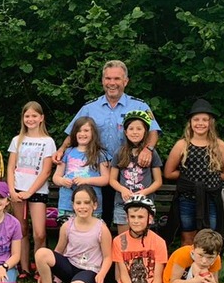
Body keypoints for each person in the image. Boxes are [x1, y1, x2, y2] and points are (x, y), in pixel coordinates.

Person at [56, 60, 160, 226]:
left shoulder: (139, 106)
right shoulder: (90, 107)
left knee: (125, 217)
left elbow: (153, 131)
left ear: (125, 81)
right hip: (97, 171)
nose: (112, 83)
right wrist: (61, 149)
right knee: (98, 217)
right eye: (108, 78)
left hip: (127, 172)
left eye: (117, 79)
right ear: (103, 81)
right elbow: (74, 132)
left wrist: (148, 149)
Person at [163, 99, 224, 246]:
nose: (200, 123)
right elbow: (168, 173)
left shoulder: (219, 145)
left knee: (212, 238)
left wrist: (209, 180)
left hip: (211, 199)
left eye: (204, 120)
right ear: (190, 122)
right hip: (187, 198)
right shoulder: (182, 145)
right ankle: (187, 268)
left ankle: (210, 268)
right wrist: (189, 180)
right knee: (187, 238)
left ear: (210, 123)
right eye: (196, 119)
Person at [34, 186, 112, 283]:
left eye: (87, 203)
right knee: (41, 253)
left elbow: (108, 257)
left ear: (94, 205)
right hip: (70, 266)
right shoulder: (67, 225)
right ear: (73, 205)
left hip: (89, 270)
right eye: (78, 203)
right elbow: (58, 251)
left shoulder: (101, 228)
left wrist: (101, 274)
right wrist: (48, 273)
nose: (82, 206)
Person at [7, 101, 56, 277]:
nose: (31, 119)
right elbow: (11, 166)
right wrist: (12, 190)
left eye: (34, 115)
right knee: (21, 230)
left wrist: (30, 191)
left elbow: (46, 171)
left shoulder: (48, 141)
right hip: (18, 189)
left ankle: (40, 265)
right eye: (27, 116)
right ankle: (24, 267)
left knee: (39, 232)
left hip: (37, 191)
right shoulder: (17, 140)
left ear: (41, 118)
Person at [103, 196, 168, 283]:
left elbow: (158, 277)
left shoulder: (159, 242)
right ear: (127, 218)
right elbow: (123, 274)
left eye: (141, 217)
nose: (136, 221)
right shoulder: (118, 241)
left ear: (150, 218)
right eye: (132, 217)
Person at [109, 110, 163, 233]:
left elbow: (158, 181)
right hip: (123, 203)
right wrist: (123, 189)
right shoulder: (120, 152)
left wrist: (144, 192)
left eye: (139, 129)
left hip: (144, 202)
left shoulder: (151, 154)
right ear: (125, 132)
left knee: (143, 238)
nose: (135, 132)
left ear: (145, 132)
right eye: (131, 129)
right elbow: (112, 179)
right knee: (123, 239)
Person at [52, 115, 110, 221]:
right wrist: (62, 181)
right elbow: (56, 177)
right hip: (67, 204)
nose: (82, 134)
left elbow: (105, 179)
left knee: (91, 235)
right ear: (74, 133)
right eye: (79, 131)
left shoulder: (100, 154)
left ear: (93, 133)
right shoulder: (67, 152)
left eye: (86, 130)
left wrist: (86, 180)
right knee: (69, 234)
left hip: (91, 205)